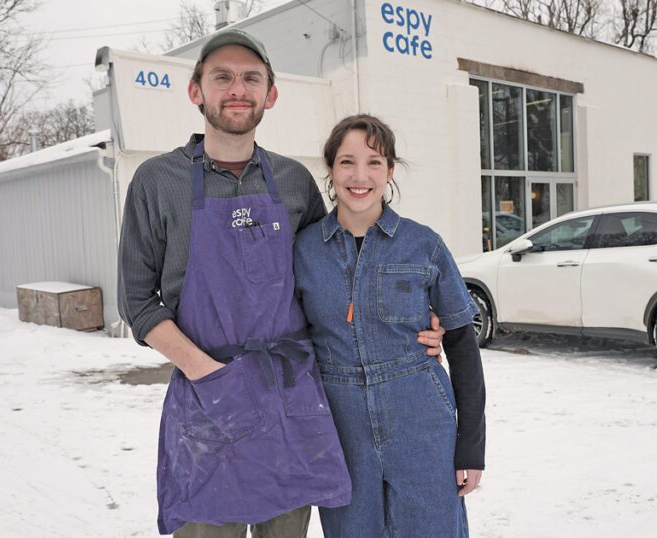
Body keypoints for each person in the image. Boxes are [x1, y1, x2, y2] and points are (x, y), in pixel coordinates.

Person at [116, 30, 444, 537]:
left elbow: (335, 273)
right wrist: (210, 376)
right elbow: (137, 302)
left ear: (270, 94)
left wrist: (414, 319)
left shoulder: (293, 182)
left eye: (251, 78)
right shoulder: (157, 182)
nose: (237, 89)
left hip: (290, 404)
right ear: (195, 90)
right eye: (221, 76)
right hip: (208, 410)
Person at [294, 115, 487, 537]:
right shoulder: (303, 250)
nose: (359, 176)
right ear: (329, 168)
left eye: (374, 162)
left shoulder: (424, 245)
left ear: (390, 171)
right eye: (347, 162)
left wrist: (471, 445)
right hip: (341, 429)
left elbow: (462, 346)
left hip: (420, 422)